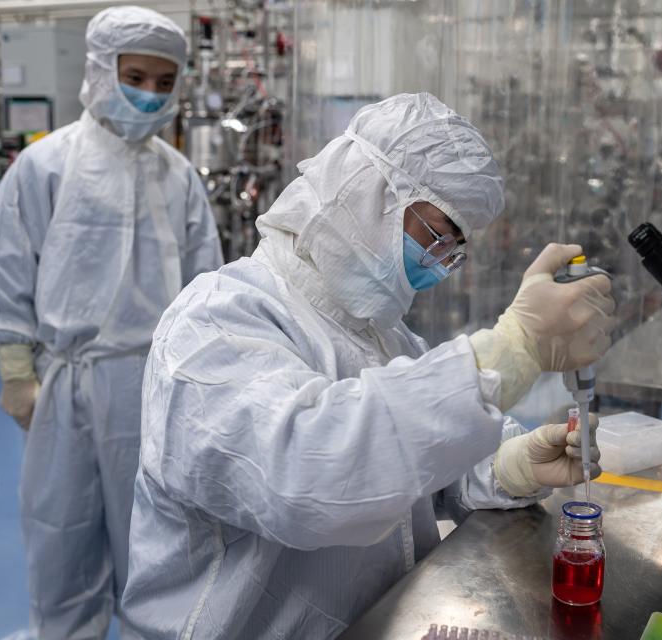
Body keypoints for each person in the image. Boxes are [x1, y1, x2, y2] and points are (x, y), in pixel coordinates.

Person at [122, 92, 614, 639]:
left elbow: (410, 467)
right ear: (367, 190)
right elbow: (310, 475)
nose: (442, 261)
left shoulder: (381, 334)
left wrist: (507, 465)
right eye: (436, 234)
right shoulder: (215, 320)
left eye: (455, 247)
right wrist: (512, 351)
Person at [0, 6, 223, 639]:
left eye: (164, 83)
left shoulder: (180, 177)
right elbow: (8, 267)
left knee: (161, 545)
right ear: (99, 71)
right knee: (63, 538)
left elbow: (207, 288)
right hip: (67, 386)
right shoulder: (46, 164)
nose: (149, 94)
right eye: (135, 76)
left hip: (159, 389)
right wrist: (13, 368)